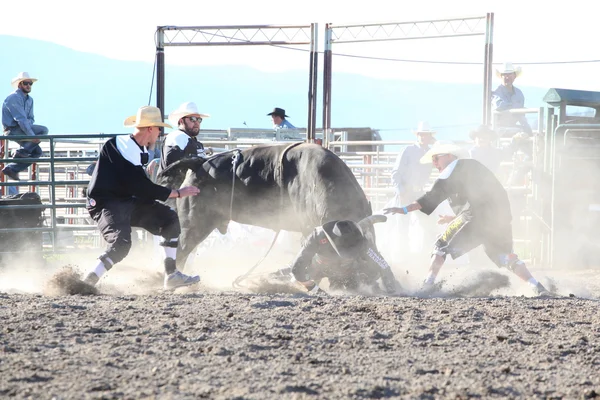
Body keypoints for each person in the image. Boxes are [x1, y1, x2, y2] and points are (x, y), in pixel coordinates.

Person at [383, 141, 551, 297]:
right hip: (500, 216)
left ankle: (427, 285)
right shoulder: (473, 166)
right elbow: (481, 198)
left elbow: (430, 197)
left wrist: (404, 209)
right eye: (433, 160)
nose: (434, 163)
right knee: (504, 255)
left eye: (436, 158)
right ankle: (536, 286)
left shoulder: (450, 172)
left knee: (441, 245)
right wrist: (456, 218)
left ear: (449, 156)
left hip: (477, 217)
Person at [82, 106, 202, 290]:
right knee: (121, 243)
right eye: (158, 129)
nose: (159, 134)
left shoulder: (131, 148)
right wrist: (177, 193)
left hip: (125, 201)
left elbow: (138, 185)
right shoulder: (124, 146)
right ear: (150, 129)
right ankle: (87, 281)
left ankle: (171, 274)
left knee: (169, 218)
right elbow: (140, 186)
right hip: (106, 203)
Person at [270, 217, 398, 295]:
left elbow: (382, 264)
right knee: (292, 281)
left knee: (358, 289)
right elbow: (297, 268)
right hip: (317, 268)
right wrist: (314, 288)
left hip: (348, 272)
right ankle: (279, 274)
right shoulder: (317, 236)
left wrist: (391, 286)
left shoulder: (362, 242)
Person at [389, 121, 437, 260]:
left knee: (427, 223)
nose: (423, 137)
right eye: (421, 134)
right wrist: (401, 191)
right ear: (417, 136)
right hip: (406, 192)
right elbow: (395, 172)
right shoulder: (408, 150)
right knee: (403, 225)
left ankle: (424, 254)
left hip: (419, 193)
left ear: (429, 137)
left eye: (426, 135)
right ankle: (403, 256)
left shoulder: (431, 153)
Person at [1, 72, 49, 181]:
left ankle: (12, 168)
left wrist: (30, 131)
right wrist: (32, 136)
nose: (28, 85)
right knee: (43, 130)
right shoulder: (13, 97)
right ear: (19, 84)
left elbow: (30, 118)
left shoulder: (30, 99)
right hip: (12, 130)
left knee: (37, 152)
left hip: (22, 130)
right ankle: (22, 151)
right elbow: (21, 119)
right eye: (25, 83)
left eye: (30, 83)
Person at [159, 101, 211, 175]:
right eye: (192, 119)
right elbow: (174, 170)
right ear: (181, 121)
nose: (197, 122)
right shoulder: (177, 136)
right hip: (176, 185)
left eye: (199, 119)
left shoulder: (189, 139)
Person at [491, 62, 532, 135]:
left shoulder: (519, 93)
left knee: (525, 132)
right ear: (501, 76)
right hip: (499, 128)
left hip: (512, 127)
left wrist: (527, 128)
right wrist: (518, 109)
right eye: (504, 74)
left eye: (509, 74)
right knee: (520, 133)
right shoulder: (496, 92)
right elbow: (499, 106)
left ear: (514, 76)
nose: (507, 77)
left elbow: (521, 115)